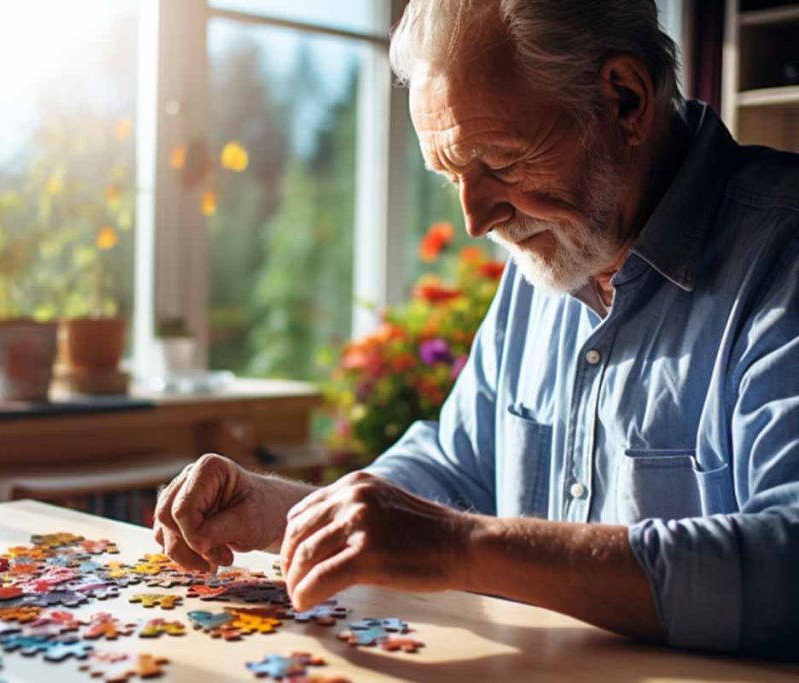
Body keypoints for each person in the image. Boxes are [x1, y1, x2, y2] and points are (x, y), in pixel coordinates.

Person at [154, 0, 799, 659]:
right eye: (451, 176)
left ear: (625, 100)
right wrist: (284, 512)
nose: (475, 218)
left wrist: (463, 549)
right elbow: (458, 468)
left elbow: (787, 563)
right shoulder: (549, 258)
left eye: (500, 162)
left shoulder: (784, 254)